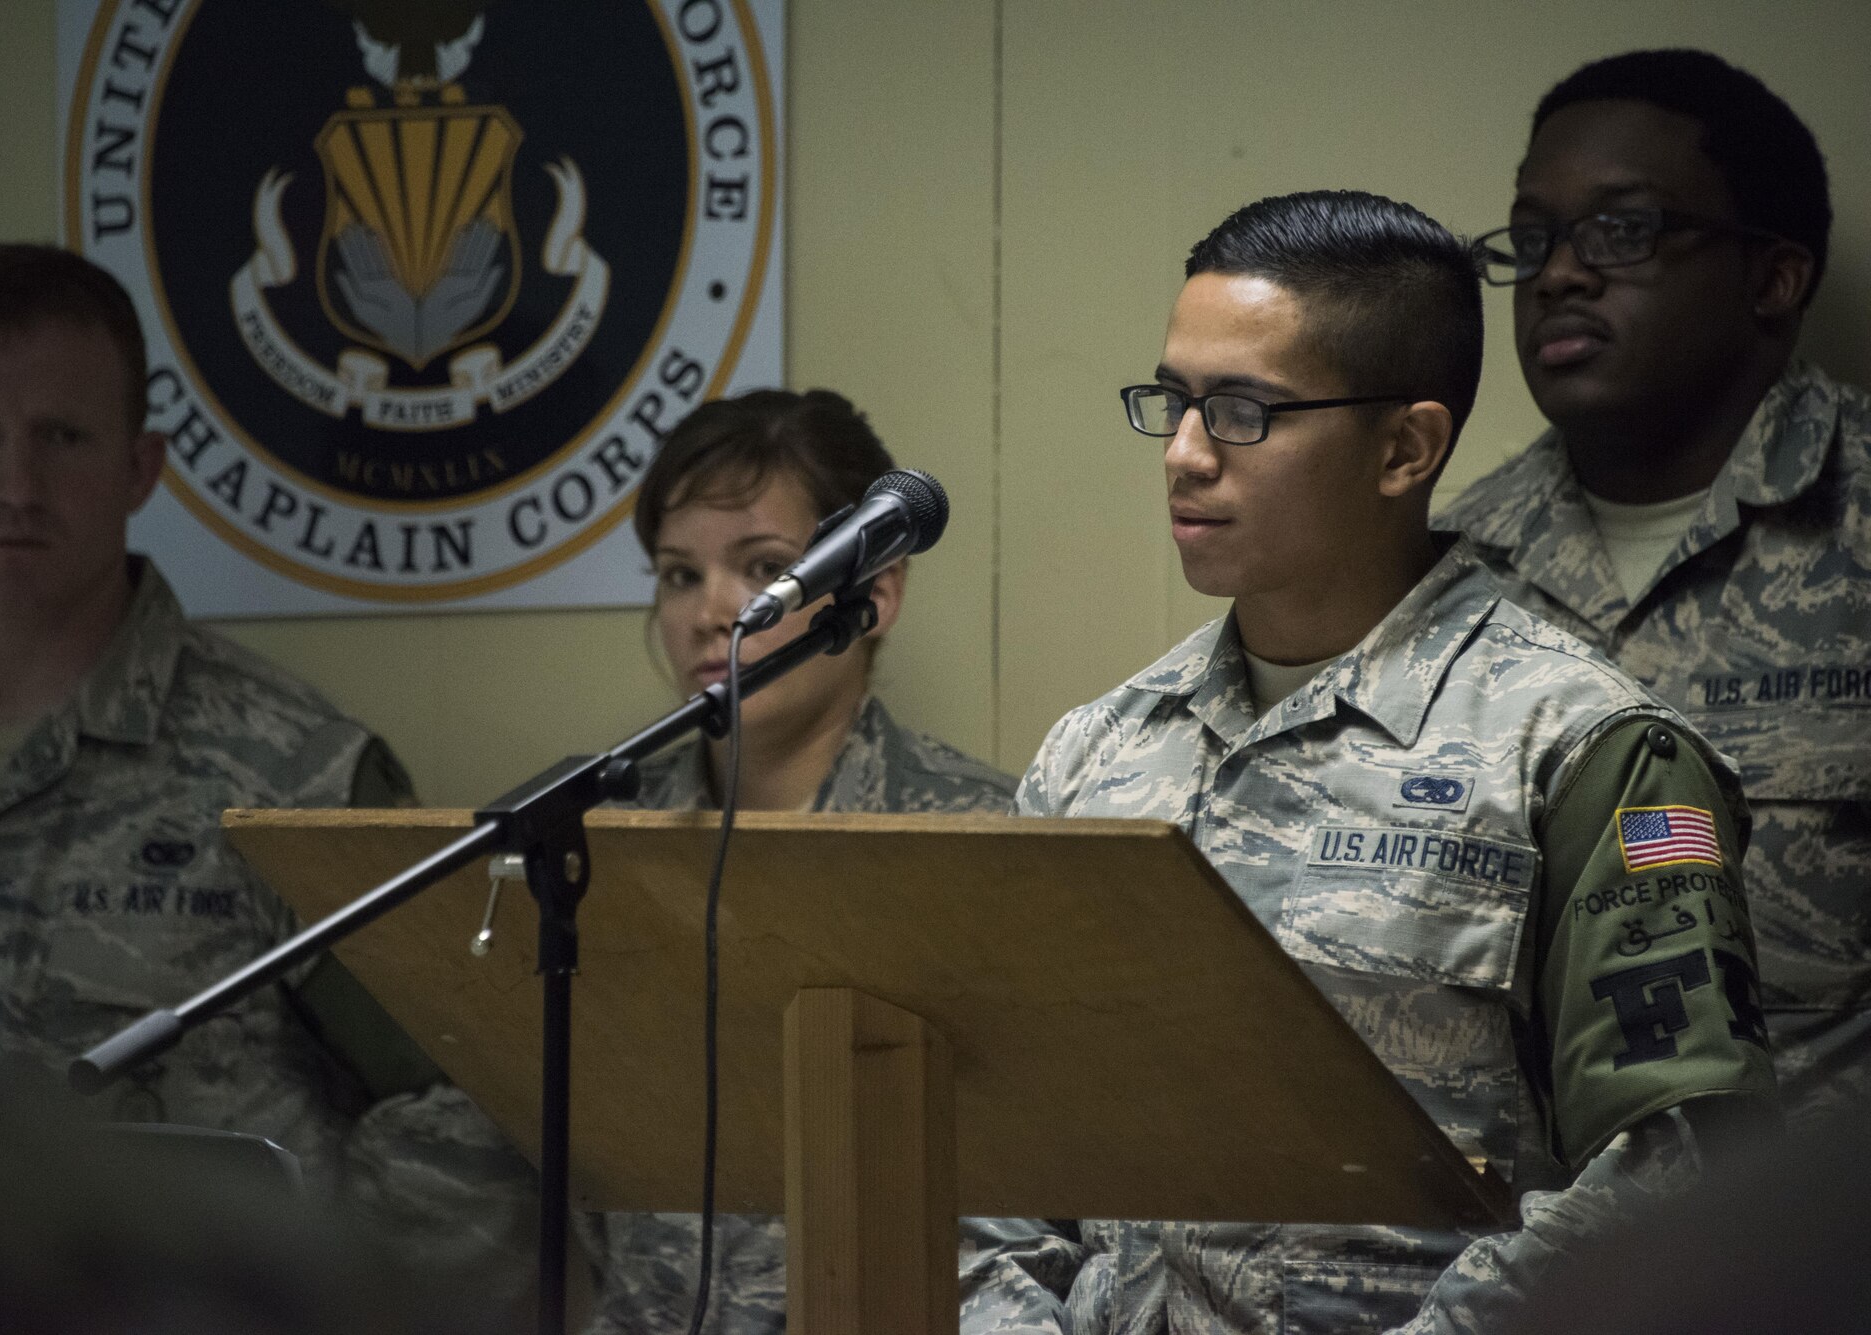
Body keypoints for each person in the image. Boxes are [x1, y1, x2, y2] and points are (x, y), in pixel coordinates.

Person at [1018, 192, 1776, 1332]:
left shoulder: (1583, 752)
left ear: (1402, 447)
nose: (1181, 455)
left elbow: (1671, 1161)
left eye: (1237, 411)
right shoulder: (1098, 754)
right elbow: (986, 1142)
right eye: (1171, 403)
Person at [0, 243, 529, 1298]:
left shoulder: (289, 774)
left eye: (62, 436)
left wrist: (310, 1301)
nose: (15, 484)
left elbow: (478, 1105)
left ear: (140, 467)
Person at [577, 387, 1077, 1332]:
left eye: (762, 567)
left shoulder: (977, 836)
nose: (711, 613)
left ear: (874, 595)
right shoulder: (603, 837)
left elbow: (1037, 1183)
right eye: (679, 574)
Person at [1438, 48, 1869, 1127]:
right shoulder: (1438, 569)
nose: (1558, 274)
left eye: (1619, 230)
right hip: (1491, 1268)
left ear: (1772, 276)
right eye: (1531, 239)